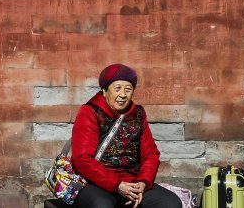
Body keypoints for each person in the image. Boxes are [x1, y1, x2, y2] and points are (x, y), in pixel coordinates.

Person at [71, 64, 179, 208]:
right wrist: (117, 185)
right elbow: (82, 160)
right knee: (102, 205)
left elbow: (151, 154)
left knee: (170, 203)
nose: (123, 94)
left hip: (132, 182)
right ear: (104, 90)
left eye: (128, 89)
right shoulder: (89, 112)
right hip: (95, 183)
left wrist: (143, 183)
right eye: (117, 88)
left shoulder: (138, 114)